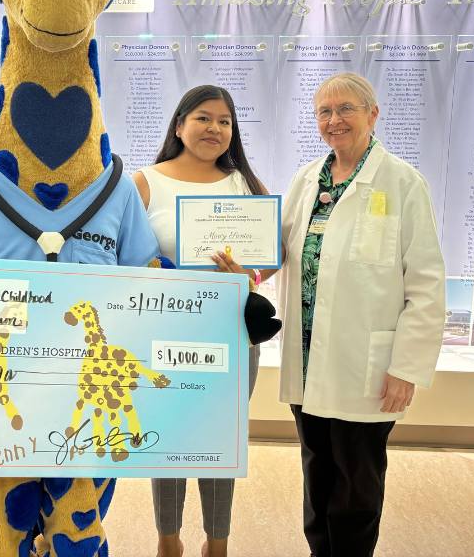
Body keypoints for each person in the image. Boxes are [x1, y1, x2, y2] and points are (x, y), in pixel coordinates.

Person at [276, 72, 446, 557]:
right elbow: (278, 251)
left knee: (357, 482)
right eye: (324, 112)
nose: (335, 121)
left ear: (373, 114)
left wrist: (406, 367)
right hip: (308, 361)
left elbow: (427, 283)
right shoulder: (307, 179)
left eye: (346, 109)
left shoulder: (402, 182)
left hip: (365, 366)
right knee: (317, 472)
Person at [132, 85, 282, 557]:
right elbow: (125, 255)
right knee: (170, 438)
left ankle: (217, 544)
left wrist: (249, 275)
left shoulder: (244, 184)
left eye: (224, 121)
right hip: (167, 334)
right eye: (203, 118)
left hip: (232, 333)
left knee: (221, 440)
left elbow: (271, 256)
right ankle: (168, 541)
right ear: (179, 125)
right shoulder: (145, 182)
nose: (214, 128)